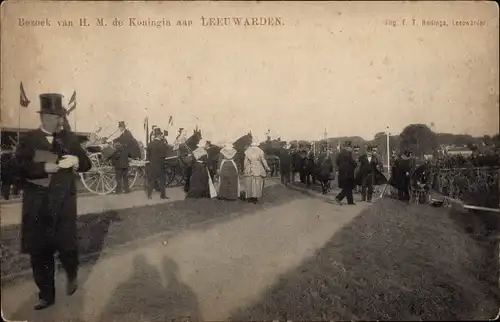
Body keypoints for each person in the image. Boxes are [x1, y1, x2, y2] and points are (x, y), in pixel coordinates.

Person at [15, 93, 92, 310]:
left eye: (62, 116)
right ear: (45, 117)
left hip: (64, 204)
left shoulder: (69, 138)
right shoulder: (29, 139)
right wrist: (42, 169)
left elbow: (87, 163)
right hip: (37, 206)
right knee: (40, 251)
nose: (61, 121)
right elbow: (16, 168)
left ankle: (71, 273)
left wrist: (77, 160)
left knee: (67, 247)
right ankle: (46, 295)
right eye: (57, 117)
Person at [243, 136, 271, 203]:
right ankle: (255, 197)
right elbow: (263, 160)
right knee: (257, 182)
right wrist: (267, 167)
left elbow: (245, 161)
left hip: (249, 167)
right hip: (258, 167)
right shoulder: (260, 151)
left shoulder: (247, 151)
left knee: (250, 182)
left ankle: (250, 196)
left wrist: (245, 168)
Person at [146, 128, 168, 199]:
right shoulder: (163, 144)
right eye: (161, 135)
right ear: (159, 135)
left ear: (155, 135)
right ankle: (163, 195)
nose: (162, 136)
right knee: (162, 181)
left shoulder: (150, 144)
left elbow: (148, 156)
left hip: (153, 165)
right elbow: (164, 155)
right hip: (161, 165)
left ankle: (149, 195)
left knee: (152, 180)